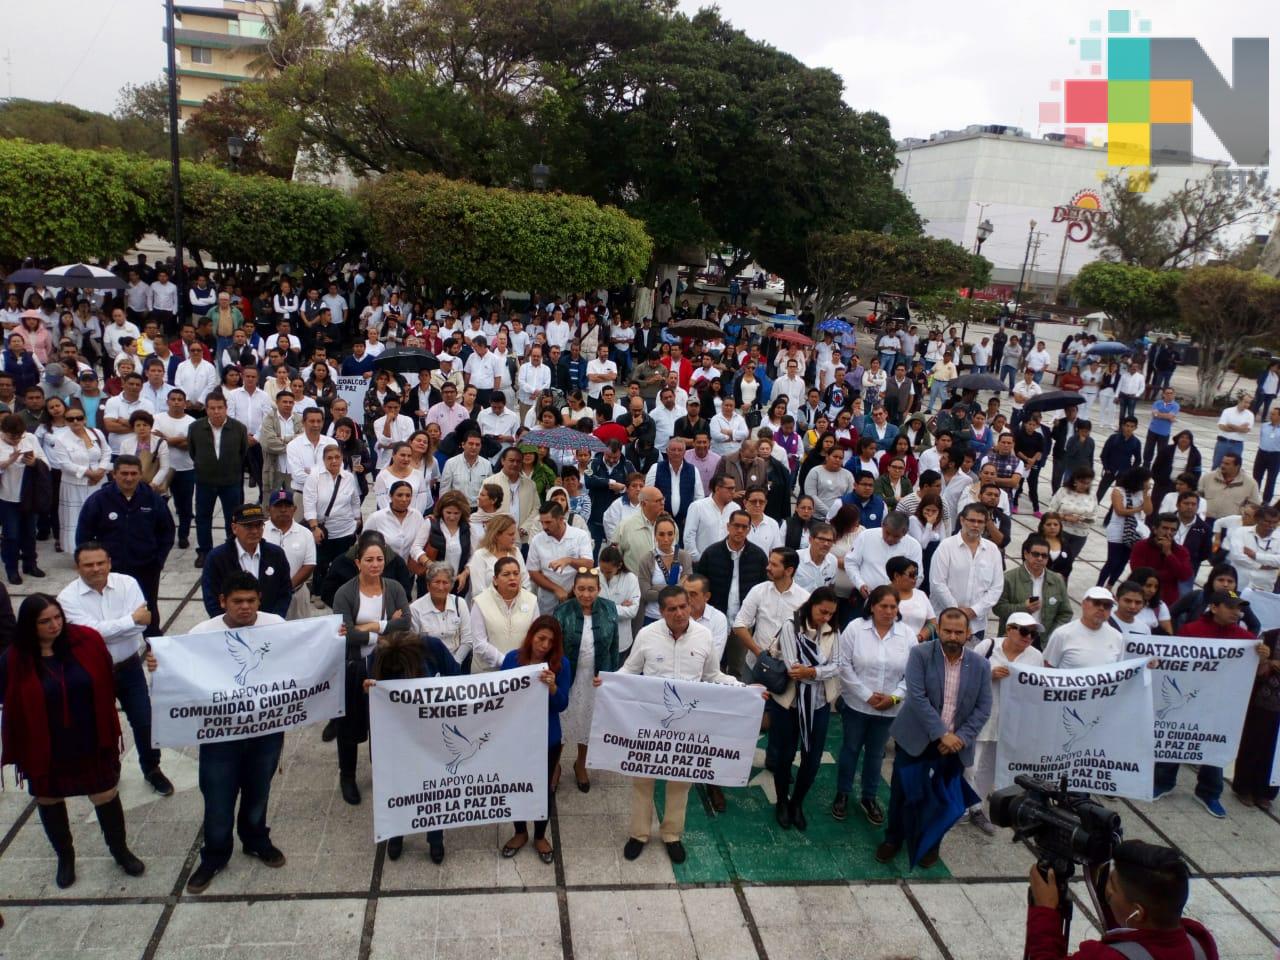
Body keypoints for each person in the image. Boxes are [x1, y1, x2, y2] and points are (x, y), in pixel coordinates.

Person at [146, 572, 287, 893]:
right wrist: (160, 668)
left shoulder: (277, 625)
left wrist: (330, 637)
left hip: (265, 731)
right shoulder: (201, 633)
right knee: (218, 798)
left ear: (259, 600)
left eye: (251, 600)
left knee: (258, 790)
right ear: (222, 601)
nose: (245, 607)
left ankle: (255, 839)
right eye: (237, 601)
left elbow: (301, 658)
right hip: (220, 736)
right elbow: (179, 678)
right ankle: (215, 855)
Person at [1, 594, 146, 889]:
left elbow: (106, 676)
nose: (55, 625)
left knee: (105, 794)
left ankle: (120, 851)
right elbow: (10, 700)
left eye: (58, 618)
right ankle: (65, 857)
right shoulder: (15, 658)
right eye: (45, 621)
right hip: (45, 745)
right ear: (30, 625)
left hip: (90, 737)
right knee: (49, 798)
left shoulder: (87, 641)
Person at [616, 585, 747, 865]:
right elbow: (629, 670)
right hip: (651, 724)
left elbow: (713, 675)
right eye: (672, 609)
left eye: (683, 607)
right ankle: (639, 835)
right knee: (643, 781)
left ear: (691, 605)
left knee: (680, 782)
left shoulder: (704, 636)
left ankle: (672, 835)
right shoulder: (647, 635)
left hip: (688, 727)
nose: (679, 613)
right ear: (661, 611)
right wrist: (609, 682)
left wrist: (743, 688)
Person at [875, 608, 992, 868]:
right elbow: (917, 698)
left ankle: (930, 843)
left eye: (958, 632)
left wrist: (959, 738)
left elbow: (983, 708)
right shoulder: (920, 654)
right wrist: (942, 734)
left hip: (955, 746)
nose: (952, 636)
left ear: (968, 634)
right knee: (903, 793)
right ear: (938, 629)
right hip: (916, 739)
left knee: (941, 798)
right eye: (947, 630)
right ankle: (894, 839)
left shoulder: (981, 665)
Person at [57, 542, 175, 796]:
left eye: (101, 563)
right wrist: (129, 621)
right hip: (92, 673)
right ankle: (109, 767)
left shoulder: (127, 583)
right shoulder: (66, 598)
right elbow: (89, 637)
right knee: (101, 725)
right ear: (78, 567)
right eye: (88, 564)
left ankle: (152, 768)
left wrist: (116, 627)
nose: (96, 569)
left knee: (144, 721)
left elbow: (143, 624)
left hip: (130, 666)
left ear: (109, 562)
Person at [1157, 590, 1265, 818]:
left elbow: (1259, 672)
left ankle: (1209, 792)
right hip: (1188, 700)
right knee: (1178, 739)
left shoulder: (1246, 641)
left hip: (1221, 706)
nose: (1237, 612)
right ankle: (1163, 782)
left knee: (1214, 746)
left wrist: (1261, 657)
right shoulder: (1191, 630)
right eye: (1231, 607)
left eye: (1240, 608)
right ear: (1214, 607)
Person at [1026, 840, 1219, 960]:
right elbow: (1139, 942)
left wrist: (1045, 911)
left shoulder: (1105, 957)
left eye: (1112, 885)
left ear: (1138, 912)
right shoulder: (1199, 941)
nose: (1107, 889)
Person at [332, 534, 412, 805]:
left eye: (379, 559)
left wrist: (369, 626)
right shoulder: (345, 592)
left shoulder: (395, 587)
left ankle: (383, 772)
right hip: (354, 666)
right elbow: (344, 633)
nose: (375, 564)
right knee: (350, 724)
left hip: (386, 665)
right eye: (369, 560)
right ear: (358, 562)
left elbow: (406, 624)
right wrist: (384, 627)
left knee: (384, 722)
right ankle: (348, 775)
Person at [831, 584, 915, 827]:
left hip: (890, 708)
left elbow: (912, 674)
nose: (889, 611)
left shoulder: (907, 635)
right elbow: (843, 665)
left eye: (893, 607)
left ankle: (869, 797)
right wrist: (866, 695)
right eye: (883, 606)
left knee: (876, 754)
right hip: (857, 705)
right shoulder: (856, 629)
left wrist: (895, 697)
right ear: (873, 606)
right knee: (850, 749)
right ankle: (843, 793)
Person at [762, 586, 840, 831]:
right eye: (822, 612)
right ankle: (782, 802)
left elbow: (838, 666)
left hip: (818, 705)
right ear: (811, 605)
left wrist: (813, 671)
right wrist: (817, 671)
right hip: (790, 704)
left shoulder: (832, 631)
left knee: (812, 758)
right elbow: (792, 667)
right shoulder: (790, 626)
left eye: (830, 614)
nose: (825, 618)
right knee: (784, 756)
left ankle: (797, 802)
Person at [74, 456, 175, 637]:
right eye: (124, 474)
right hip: (111, 570)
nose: (129, 478)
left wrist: (158, 560)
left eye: (133, 474)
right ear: (114, 475)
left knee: (148, 604)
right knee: (111, 606)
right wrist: (92, 565)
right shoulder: (98, 500)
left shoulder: (152, 499)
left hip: (146, 566)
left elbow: (166, 532)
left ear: (140, 474)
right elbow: (84, 535)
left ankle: (153, 641)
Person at [967, 612, 1044, 835]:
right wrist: (989, 675)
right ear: (1009, 629)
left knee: (988, 770)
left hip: (1010, 721)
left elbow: (1037, 690)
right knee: (969, 766)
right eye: (1024, 631)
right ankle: (960, 805)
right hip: (981, 716)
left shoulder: (1035, 656)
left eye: (1033, 633)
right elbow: (967, 675)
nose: (1029, 637)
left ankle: (975, 808)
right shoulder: (988, 646)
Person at [552, 570, 619, 793]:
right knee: (561, 724)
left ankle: (581, 764)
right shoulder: (562, 611)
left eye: (591, 589)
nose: (586, 594)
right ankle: (554, 766)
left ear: (598, 589)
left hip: (595, 679)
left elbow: (613, 646)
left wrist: (610, 676)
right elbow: (554, 648)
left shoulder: (610, 609)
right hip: (568, 677)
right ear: (574, 588)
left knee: (588, 724)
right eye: (581, 589)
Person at [200, 503, 292, 619]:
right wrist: (227, 623)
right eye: (248, 526)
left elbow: (285, 591)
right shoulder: (217, 558)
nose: (254, 531)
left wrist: (273, 619)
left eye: (259, 525)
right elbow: (211, 598)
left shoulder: (276, 554)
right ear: (234, 528)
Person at [188, 391, 248, 568]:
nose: (216, 412)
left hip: (230, 481)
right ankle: (204, 551)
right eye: (212, 408)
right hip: (205, 481)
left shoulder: (238, 428)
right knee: (203, 517)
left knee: (233, 518)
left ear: (226, 408)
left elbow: (242, 451)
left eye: (220, 408)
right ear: (206, 410)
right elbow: (193, 451)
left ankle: (232, 550)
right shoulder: (195, 428)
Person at [929, 503, 1004, 639]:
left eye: (980, 522)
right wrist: (957, 612)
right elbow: (937, 583)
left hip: (976, 624)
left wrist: (974, 611)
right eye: (972, 520)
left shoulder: (992, 550)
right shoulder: (946, 546)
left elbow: (996, 588)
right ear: (962, 520)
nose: (976, 525)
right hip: (945, 622)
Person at [992, 534, 1073, 639]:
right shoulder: (1009, 579)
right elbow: (998, 608)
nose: (1040, 558)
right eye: (1035, 554)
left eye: (1044, 556)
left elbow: (1066, 613)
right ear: (1026, 554)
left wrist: (1052, 634)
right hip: (1014, 638)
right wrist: (1023, 608)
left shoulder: (1057, 580)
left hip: (1043, 641)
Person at [468, 556, 539, 671]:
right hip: (487, 675)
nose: (512, 578)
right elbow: (479, 644)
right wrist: (506, 662)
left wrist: (520, 663)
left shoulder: (532, 600)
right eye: (506, 574)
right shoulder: (480, 602)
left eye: (516, 573)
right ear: (495, 580)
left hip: (522, 670)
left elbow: (535, 636)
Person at [0, 412, 48, 584]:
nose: (16, 440)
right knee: (11, 535)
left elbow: (45, 462)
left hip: (29, 495)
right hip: (7, 497)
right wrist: (8, 462)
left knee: (29, 533)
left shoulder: (30, 439)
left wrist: (34, 462)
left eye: (19, 436)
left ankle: (30, 564)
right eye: (12, 437)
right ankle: (11, 569)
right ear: (3, 431)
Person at [843, 511, 922, 612]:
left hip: (897, 602)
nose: (890, 538)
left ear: (905, 533)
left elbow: (917, 577)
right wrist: (860, 584)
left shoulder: (914, 546)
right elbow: (851, 562)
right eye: (887, 533)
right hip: (863, 597)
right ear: (882, 525)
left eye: (896, 536)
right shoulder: (866, 536)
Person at [1097, 468, 1153, 589]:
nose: (1148, 483)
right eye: (1146, 480)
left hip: (1134, 530)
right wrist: (1138, 509)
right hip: (1117, 529)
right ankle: (1099, 585)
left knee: (1123, 561)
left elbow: (1148, 511)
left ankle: (1110, 586)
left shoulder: (1142, 493)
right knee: (1112, 561)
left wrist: (1146, 494)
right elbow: (1120, 510)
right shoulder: (1118, 490)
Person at [1044, 586, 1124, 668]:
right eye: (1097, 603)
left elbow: (1117, 671)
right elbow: (1048, 668)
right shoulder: (1062, 634)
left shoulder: (1117, 637)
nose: (1101, 608)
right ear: (1083, 604)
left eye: (1107, 605)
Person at [1128, 513, 1193, 605]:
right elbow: (1138, 572)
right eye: (1165, 528)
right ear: (1155, 529)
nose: (1168, 533)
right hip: (1140, 597)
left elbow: (1184, 575)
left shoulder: (1181, 551)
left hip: (1168, 601)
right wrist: (1170, 574)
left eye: (1173, 530)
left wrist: (1169, 554)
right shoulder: (1141, 546)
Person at [1198, 452, 1258, 524]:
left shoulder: (1250, 483)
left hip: (1231, 523)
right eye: (1222, 463)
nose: (1222, 466)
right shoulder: (1208, 477)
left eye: (1227, 464)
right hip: (1206, 520)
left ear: (1237, 466)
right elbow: (1198, 496)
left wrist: (1241, 513)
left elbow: (1255, 505)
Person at [1213, 392, 1254, 469]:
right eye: (1245, 402)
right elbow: (1222, 427)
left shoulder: (1250, 415)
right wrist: (1239, 428)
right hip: (1223, 442)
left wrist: (1231, 425)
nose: (1247, 405)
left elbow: (1246, 430)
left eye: (1249, 403)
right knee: (1217, 465)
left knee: (1234, 467)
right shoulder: (1227, 411)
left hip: (1237, 445)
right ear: (1239, 401)